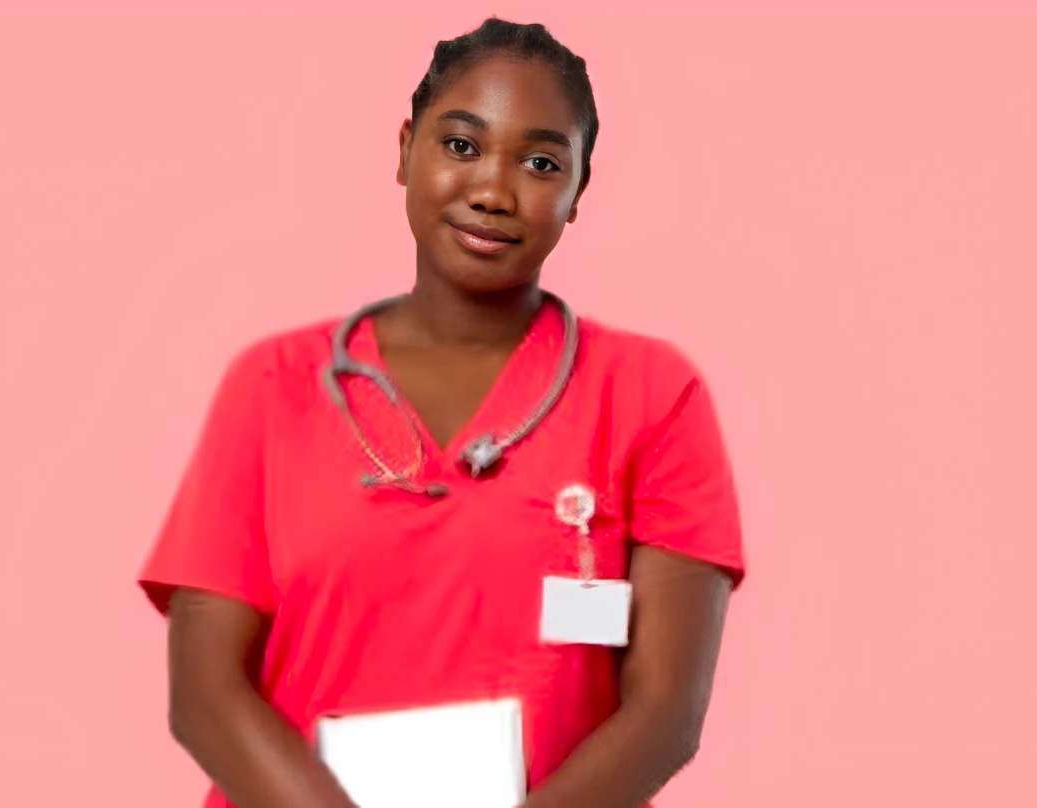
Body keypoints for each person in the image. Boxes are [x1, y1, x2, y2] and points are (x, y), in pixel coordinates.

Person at [139, 17, 746, 808]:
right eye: (461, 145)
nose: (492, 191)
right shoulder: (271, 383)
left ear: (578, 191)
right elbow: (205, 694)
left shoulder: (653, 395)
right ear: (404, 151)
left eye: (540, 162)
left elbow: (666, 715)